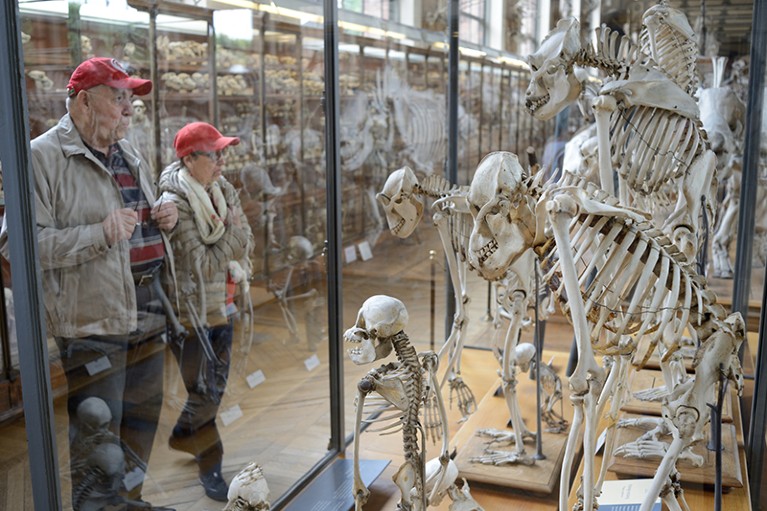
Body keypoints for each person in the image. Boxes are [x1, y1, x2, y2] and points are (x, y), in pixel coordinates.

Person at [0, 58, 179, 510]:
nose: (129, 109)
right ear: (84, 100)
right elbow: (14, 248)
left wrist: (165, 218)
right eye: (119, 98)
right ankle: (98, 506)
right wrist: (97, 234)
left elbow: (138, 221)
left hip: (148, 304)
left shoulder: (126, 150)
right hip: (92, 318)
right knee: (98, 428)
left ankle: (126, 500)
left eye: (131, 99)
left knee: (141, 417)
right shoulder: (40, 156)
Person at [158, 122, 253, 502]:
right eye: (213, 154)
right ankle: (210, 468)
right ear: (189, 159)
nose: (221, 161)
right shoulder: (174, 201)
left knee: (212, 389)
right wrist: (231, 235)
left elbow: (245, 234)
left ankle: (184, 435)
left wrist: (229, 237)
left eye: (221, 153)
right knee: (205, 393)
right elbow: (200, 264)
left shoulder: (223, 188)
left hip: (222, 305)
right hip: (191, 315)